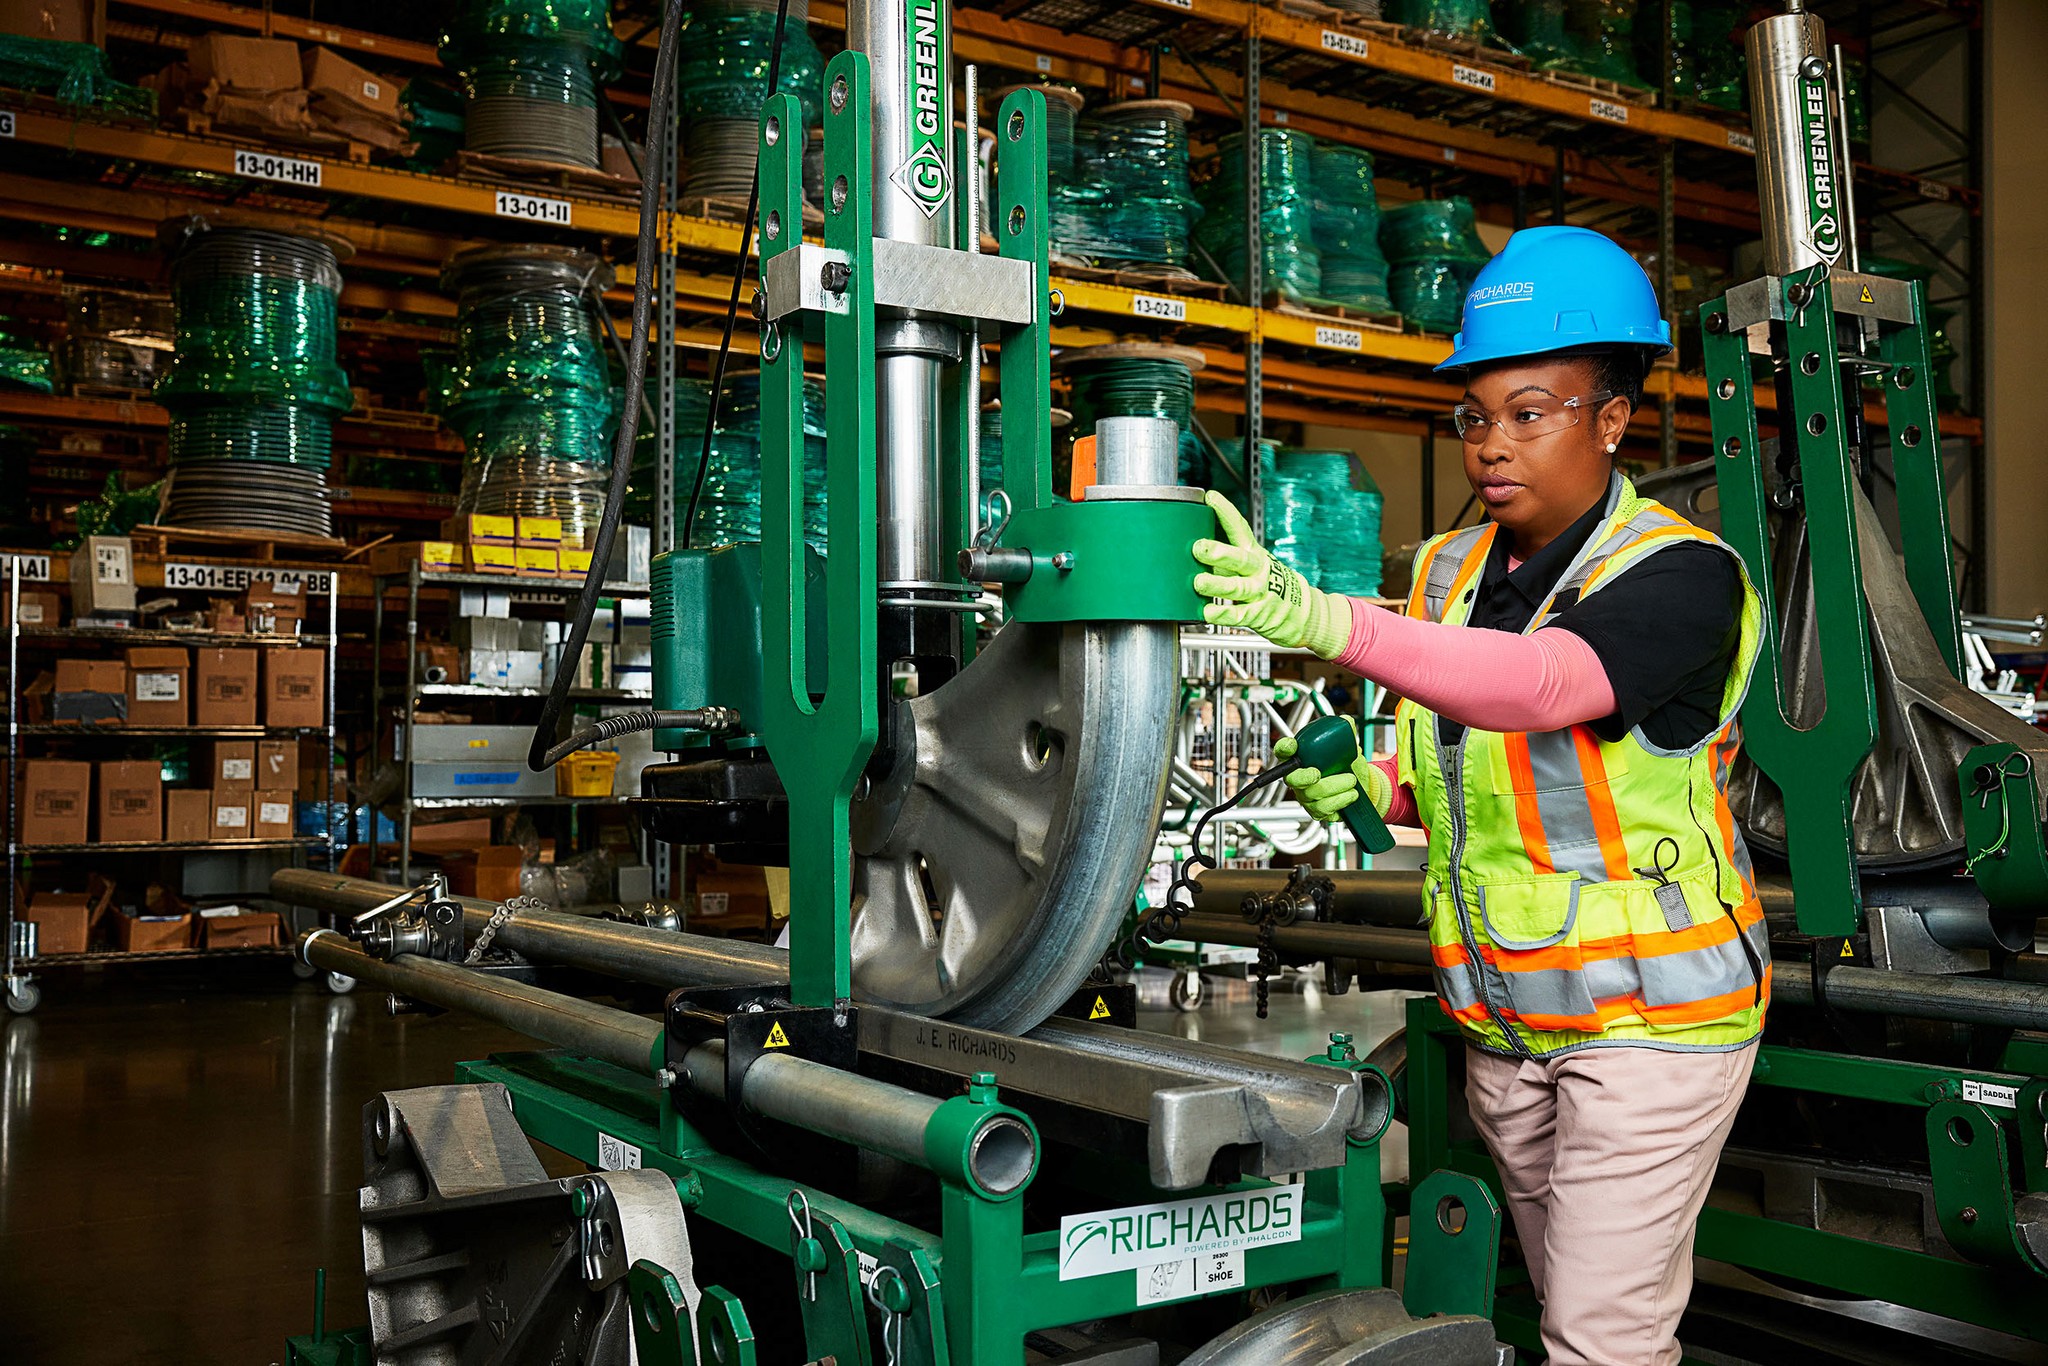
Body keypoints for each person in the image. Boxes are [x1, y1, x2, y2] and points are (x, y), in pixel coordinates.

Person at [1192, 225, 1768, 1366]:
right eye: (1473, 416)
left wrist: (1327, 623)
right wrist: (1381, 786)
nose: (1490, 446)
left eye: (1529, 411)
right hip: (1505, 1023)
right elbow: (1480, 769)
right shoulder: (1448, 573)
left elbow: (1550, 687)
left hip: (1651, 1024)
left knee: (1598, 1339)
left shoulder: (1678, 575)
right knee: (1577, 1315)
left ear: (1610, 418)